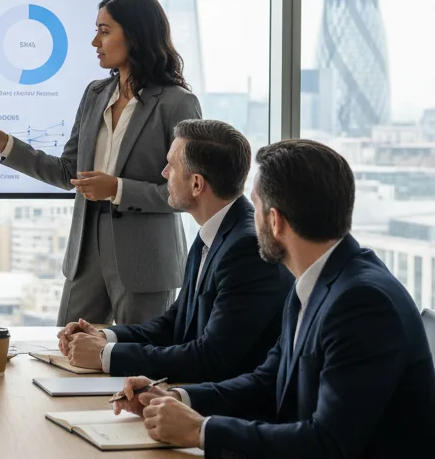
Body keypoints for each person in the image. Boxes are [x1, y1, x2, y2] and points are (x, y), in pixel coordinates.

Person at [115, 139, 435, 459]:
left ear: (276, 221)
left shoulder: (362, 303)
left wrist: (201, 430)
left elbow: (327, 444)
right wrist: (177, 397)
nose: (251, 221)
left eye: (256, 208)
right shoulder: (316, 282)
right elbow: (267, 382)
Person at [0, 0, 202, 325]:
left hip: (145, 262)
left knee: (136, 364)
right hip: (85, 256)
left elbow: (186, 193)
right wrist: (7, 145)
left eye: (105, 31)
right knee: (69, 353)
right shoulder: (95, 94)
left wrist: (117, 188)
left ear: (135, 36)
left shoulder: (177, 102)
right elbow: (68, 172)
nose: (96, 42)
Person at [57, 119, 289, 382]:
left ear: (197, 184)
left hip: (227, 407)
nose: (164, 173)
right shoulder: (214, 232)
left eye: (173, 166)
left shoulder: (246, 249)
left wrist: (105, 356)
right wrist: (104, 337)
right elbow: (174, 324)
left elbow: (211, 357)